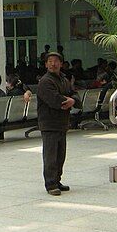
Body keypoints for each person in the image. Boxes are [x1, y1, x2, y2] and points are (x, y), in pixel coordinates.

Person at [36, 52, 80, 196]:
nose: (53, 64)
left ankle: (57, 180)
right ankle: (50, 184)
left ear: (61, 64)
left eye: (56, 61)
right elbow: (55, 100)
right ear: (46, 64)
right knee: (51, 155)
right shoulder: (45, 81)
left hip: (62, 123)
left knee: (60, 155)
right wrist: (68, 100)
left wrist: (73, 100)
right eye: (50, 61)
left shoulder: (64, 79)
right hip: (49, 124)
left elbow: (75, 94)